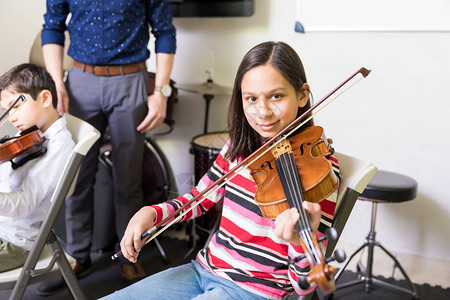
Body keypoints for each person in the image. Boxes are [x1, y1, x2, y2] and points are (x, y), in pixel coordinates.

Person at [101, 41, 341, 300]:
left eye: (276, 96)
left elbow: (304, 286)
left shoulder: (320, 171)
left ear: (303, 95)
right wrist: (152, 212)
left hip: (254, 291)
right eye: (251, 98)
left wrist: (298, 242)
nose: (263, 112)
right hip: (202, 270)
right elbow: (199, 198)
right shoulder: (238, 148)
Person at [38, 0, 176, 292]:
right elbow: (52, 27)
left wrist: (162, 91)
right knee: (76, 175)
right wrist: (56, 83)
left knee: (128, 176)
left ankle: (129, 253)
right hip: (80, 81)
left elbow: (165, 31)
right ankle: (77, 256)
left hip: (130, 81)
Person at [0, 63, 75, 272]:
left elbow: (24, 204)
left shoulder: (58, 147)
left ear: (45, 98)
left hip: (13, 241)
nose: (11, 117)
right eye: (6, 111)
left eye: (15, 107)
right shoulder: (28, 136)